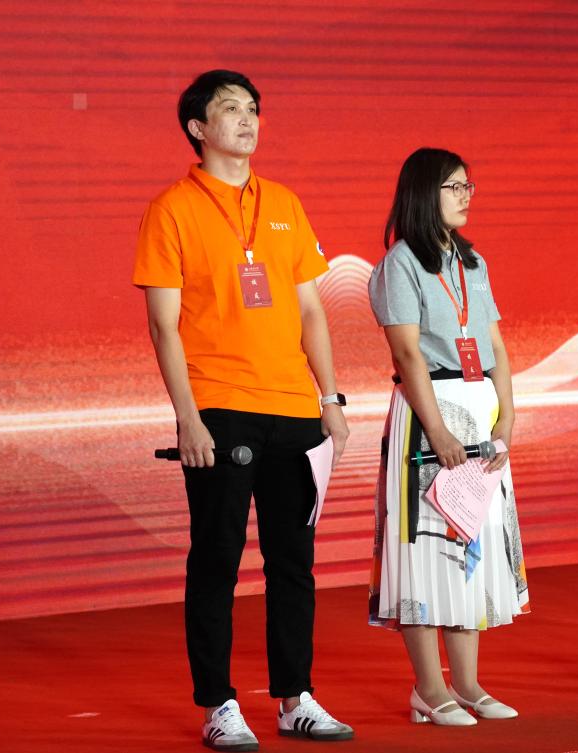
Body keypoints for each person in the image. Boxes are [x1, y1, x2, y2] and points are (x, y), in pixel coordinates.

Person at [133, 70, 354, 751]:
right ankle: (219, 704)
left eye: (253, 108)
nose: (247, 119)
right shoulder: (171, 208)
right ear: (198, 128)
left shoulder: (283, 202)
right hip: (220, 407)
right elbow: (164, 325)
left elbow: (311, 309)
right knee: (217, 559)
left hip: (294, 409)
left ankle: (295, 698)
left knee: (294, 563)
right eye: (230, 109)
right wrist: (188, 417)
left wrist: (330, 398)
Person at [367, 147, 530, 726]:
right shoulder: (399, 264)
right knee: (426, 549)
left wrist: (507, 416)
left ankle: (468, 685)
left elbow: (496, 344)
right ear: (423, 192)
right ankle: (429, 689)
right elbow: (407, 353)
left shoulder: (472, 261)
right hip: (429, 411)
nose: (466, 196)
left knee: (473, 547)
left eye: (468, 186)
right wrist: (435, 429)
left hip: (481, 410)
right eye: (454, 187)